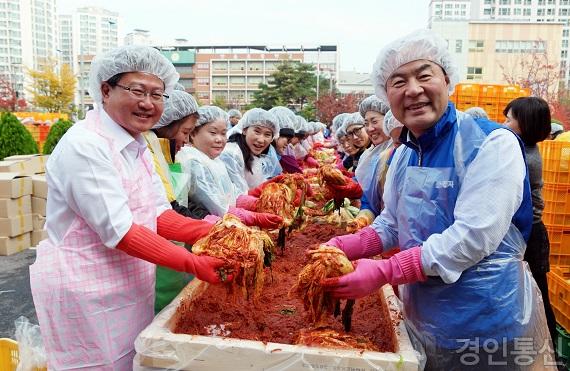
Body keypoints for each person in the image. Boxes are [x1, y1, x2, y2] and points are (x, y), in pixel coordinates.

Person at [321, 30, 553, 370]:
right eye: (398, 82)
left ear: (447, 79)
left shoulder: (490, 143)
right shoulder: (405, 155)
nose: (413, 89)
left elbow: (473, 237)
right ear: (387, 95)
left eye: (424, 75)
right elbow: (391, 223)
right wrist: (348, 244)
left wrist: (387, 269)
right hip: (424, 319)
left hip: (485, 326)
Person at [29, 46, 233, 369]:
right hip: (86, 292)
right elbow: (121, 231)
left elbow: (158, 215)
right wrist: (193, 262)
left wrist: (220, 230)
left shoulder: (137, 145)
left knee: (132, 359)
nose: (148, 103)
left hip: (128, 285)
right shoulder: (86, 145)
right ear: (105, 90)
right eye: (137, 90)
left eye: (157, 94)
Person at [504, 97, 557, 347]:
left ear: (524, 124)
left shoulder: (525, 156)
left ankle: (547, 349)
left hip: (530, 234)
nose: (503, 124)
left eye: (509, 119)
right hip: (525, 232)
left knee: (536, 294)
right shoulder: (521, 149)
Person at [347, 95, 391, 232]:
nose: (370, 128)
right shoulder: (371, 156)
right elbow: (369, 199)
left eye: (374, 121)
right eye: (366, 123)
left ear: (391, 119)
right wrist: (362, 219)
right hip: (382, 233)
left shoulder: (402, 152)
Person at [221, 108, 280, 193]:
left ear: (272, 139)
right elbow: (238, 194)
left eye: (267, 135)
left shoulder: (254, 155)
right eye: (257, 131)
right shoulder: (231, 154)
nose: (261, 140)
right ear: (244, 130)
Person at [269, 106, 303, 174]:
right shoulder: (268, 153)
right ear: (276, 135)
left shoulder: (274, 153)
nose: (288, 144)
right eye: (288, 140)